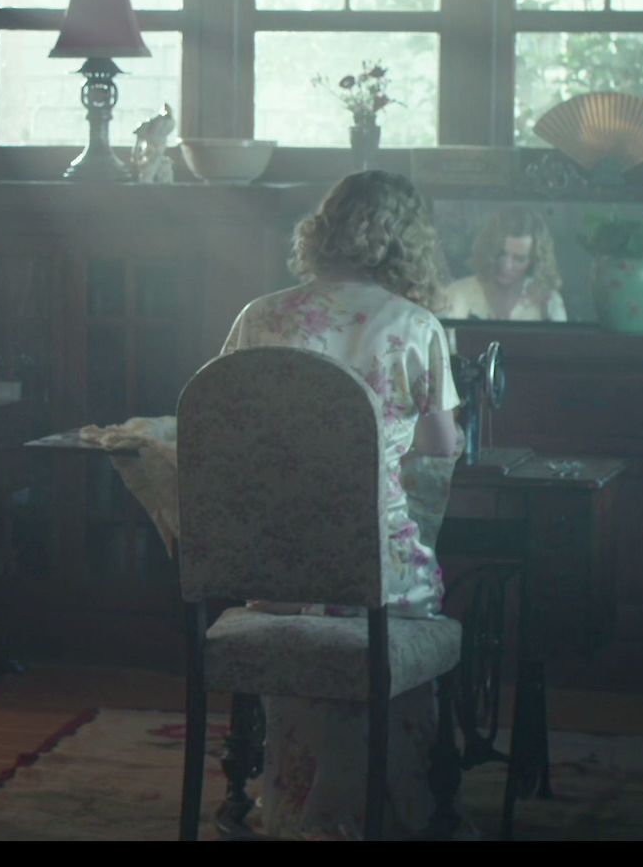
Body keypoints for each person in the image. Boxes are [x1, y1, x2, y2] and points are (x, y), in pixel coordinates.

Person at [219, 170, 466, 840]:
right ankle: (385, 808)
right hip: (375, 573)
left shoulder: (258, 316)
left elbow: (225, 430)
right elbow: (440, 448)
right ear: (408, 241)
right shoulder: (415, 325)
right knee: (410, 575)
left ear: (323, 228)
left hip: (275, 572)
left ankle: (297, 806)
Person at [441, 206, 568, 322]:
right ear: (488, 248)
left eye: (519, 259)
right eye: (501, 253)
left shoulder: (549, 301)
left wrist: (545, 312)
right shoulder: (458, 293)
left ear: (534, 261)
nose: (506, 265)